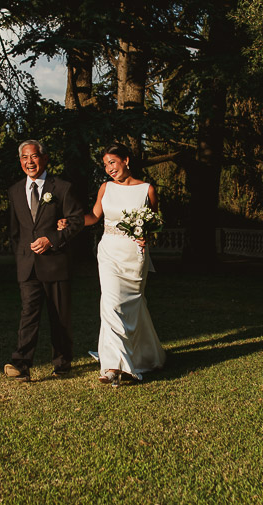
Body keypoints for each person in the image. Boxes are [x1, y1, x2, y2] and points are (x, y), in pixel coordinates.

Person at [61, 143, 166, 385]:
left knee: (132, 306)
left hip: (134, 255)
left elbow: (155, 225)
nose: (109, 168)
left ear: (126, 160)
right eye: (105, 165)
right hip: (109, 252)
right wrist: (72, 221)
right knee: (110, 304)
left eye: (112, 162)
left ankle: (142, 355)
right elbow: (94, 216)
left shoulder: (147, 190)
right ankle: (112, 367)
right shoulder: (106, 188)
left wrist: (147, 237)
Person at [4, 140, 85, 382]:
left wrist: (52, 239)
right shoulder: (15, 191)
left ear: (45, 158)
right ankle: (21, 364)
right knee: (28, 314)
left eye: (34, 156)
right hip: (27, 266)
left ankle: (62, 363)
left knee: (59, 316)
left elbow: (77, 221)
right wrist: (21, 257)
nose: (29, 162)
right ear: (20, 161)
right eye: (24, 157)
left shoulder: (62, 188)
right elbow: (15, 231)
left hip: (56, 262)